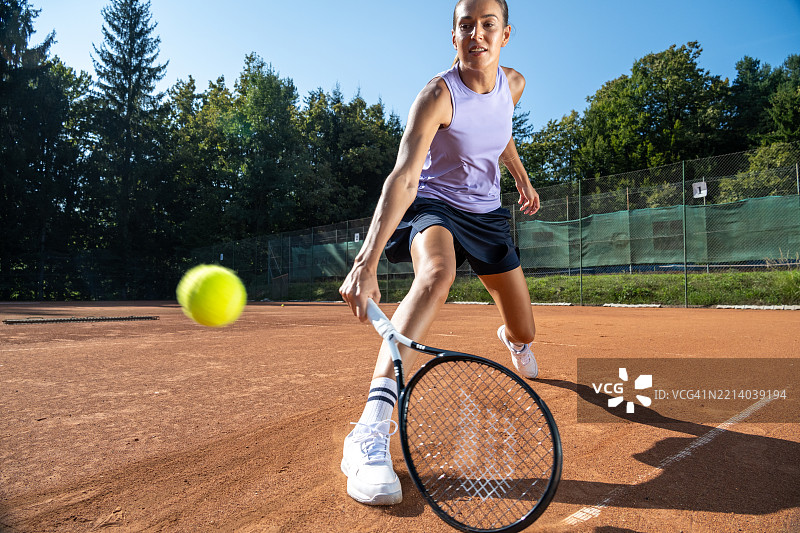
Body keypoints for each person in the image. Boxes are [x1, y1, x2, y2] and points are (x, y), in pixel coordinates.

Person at [338, 0, 541, 506]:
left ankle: (513, 340)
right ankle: (369, 431)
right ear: (454, 36)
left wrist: (521, 177)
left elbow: (501, 132)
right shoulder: (436, 96)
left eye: (487, 25)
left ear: (505, 34)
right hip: (437, 204)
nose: (477, 34)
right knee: (436, 275)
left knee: (525, 330)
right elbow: (405, 176)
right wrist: (365, 262)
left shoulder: (513, 83)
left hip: (488, 215)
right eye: (465, 25)